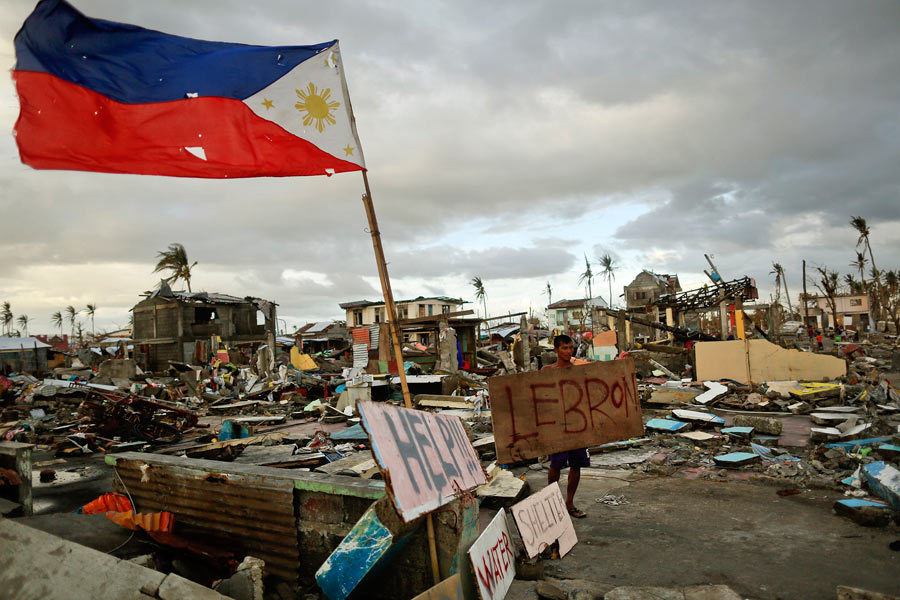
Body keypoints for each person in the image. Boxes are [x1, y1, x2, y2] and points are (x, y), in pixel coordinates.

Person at [543, 334, 588, 518]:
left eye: (571, 348)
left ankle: (569, 503)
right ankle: (551, 502)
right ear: (555, 350)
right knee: (556, 465)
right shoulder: (547, 370)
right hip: (557, 425)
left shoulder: (578, 370)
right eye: (564, 348)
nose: (569, 351)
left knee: (576, 464)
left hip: (577, 423)